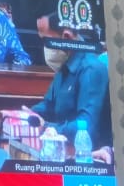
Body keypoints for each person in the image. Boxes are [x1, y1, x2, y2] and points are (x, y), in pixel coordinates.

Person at [23, 13, 111, 149]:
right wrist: (27, 114)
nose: (45, 47)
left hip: (89, 154)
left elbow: (86, 126)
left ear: (66, 37)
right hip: (63, 149)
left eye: (47, 41)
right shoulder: (65, 66)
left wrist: (48, 127)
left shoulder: (91, 69)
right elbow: (49, 105)